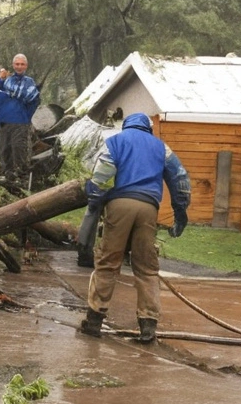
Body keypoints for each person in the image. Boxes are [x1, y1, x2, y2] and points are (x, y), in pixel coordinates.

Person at [79, 113, 191, 343]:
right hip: (148, 208)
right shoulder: (161, 148)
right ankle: (148, 326)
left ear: (127, 125)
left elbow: (102, 174)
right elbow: (180, 178)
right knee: (146, 267)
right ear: (148, 129)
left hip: (120, 204)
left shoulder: (116, 142)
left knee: (108, 262)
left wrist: (94, 198)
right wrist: (180, 212)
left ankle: (94, 320)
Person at [0, 53, 40, 183]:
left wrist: (4, 83)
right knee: (4, 150)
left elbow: (24, 95)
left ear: (26, 66)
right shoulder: (7, 80)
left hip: (21, 123)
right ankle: (4, 175)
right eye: (17, 64)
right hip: (5, 122)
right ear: (13, 65)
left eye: (22, 64)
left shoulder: (29, 82)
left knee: (19, 150)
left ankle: (21, 177)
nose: (19, 67)